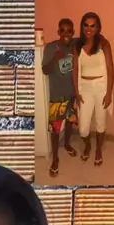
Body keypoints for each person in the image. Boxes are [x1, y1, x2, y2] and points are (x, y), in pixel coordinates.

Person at [73, 12, 114, 166]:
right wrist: (76, 93)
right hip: (84, 88)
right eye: (86, 25)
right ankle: (88, 145)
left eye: (93, 25)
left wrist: (109, 93)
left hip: (101, 88)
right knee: (83, 128)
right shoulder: (77, 45)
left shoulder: (104, 44)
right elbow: (75, 69)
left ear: (98, 28)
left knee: (100, 123)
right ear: (82, 26)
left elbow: (110, 69)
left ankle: (98, 150)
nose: (89, 29)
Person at [42, 18, 78, 178]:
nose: (66, 33)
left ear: (73, 32)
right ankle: (55, 158)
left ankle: (68, 144)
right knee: (55, 130)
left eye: (69, 30)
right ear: (58, 32)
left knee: (70, 122)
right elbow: (45, 70)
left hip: (71, 94)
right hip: (57, 96)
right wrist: (55, 57)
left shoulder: (75, 44)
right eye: (62, 30)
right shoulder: (51, 47)